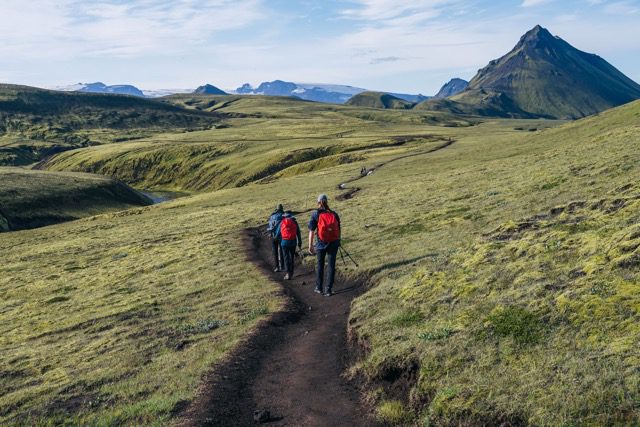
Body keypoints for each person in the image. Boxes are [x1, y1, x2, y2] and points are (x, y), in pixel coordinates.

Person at [308, 194, 341, 296]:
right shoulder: (334, 214)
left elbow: (311, 231)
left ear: (318, 203)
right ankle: (328, 289)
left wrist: (310, 245)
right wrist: (338, 241)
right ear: (327, 202)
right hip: (333, 243)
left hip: (321, 244)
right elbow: (339, 229)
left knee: (320, 265)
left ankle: (319, 287)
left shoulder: (315, 214)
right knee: (331, 266)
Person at [275, 210, 302, 280]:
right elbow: (298, 233)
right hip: (293, 242)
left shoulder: (282, 222)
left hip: (284, 243)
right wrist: (299, 242)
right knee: (291, 257)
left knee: (286, 258)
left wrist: (276, 238)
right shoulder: (295, 222)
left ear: (285, 216)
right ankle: (291, 272)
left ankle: (288, 273)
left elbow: (278, 233)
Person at [267, 204, 285, 272]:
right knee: (281, 250)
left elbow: (270, 226)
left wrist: (270, 233)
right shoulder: (283, 216)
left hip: (274, 236)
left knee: (275, 252)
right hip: (281, 236)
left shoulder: (272, 216)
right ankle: (282, 266)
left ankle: (277, 267)